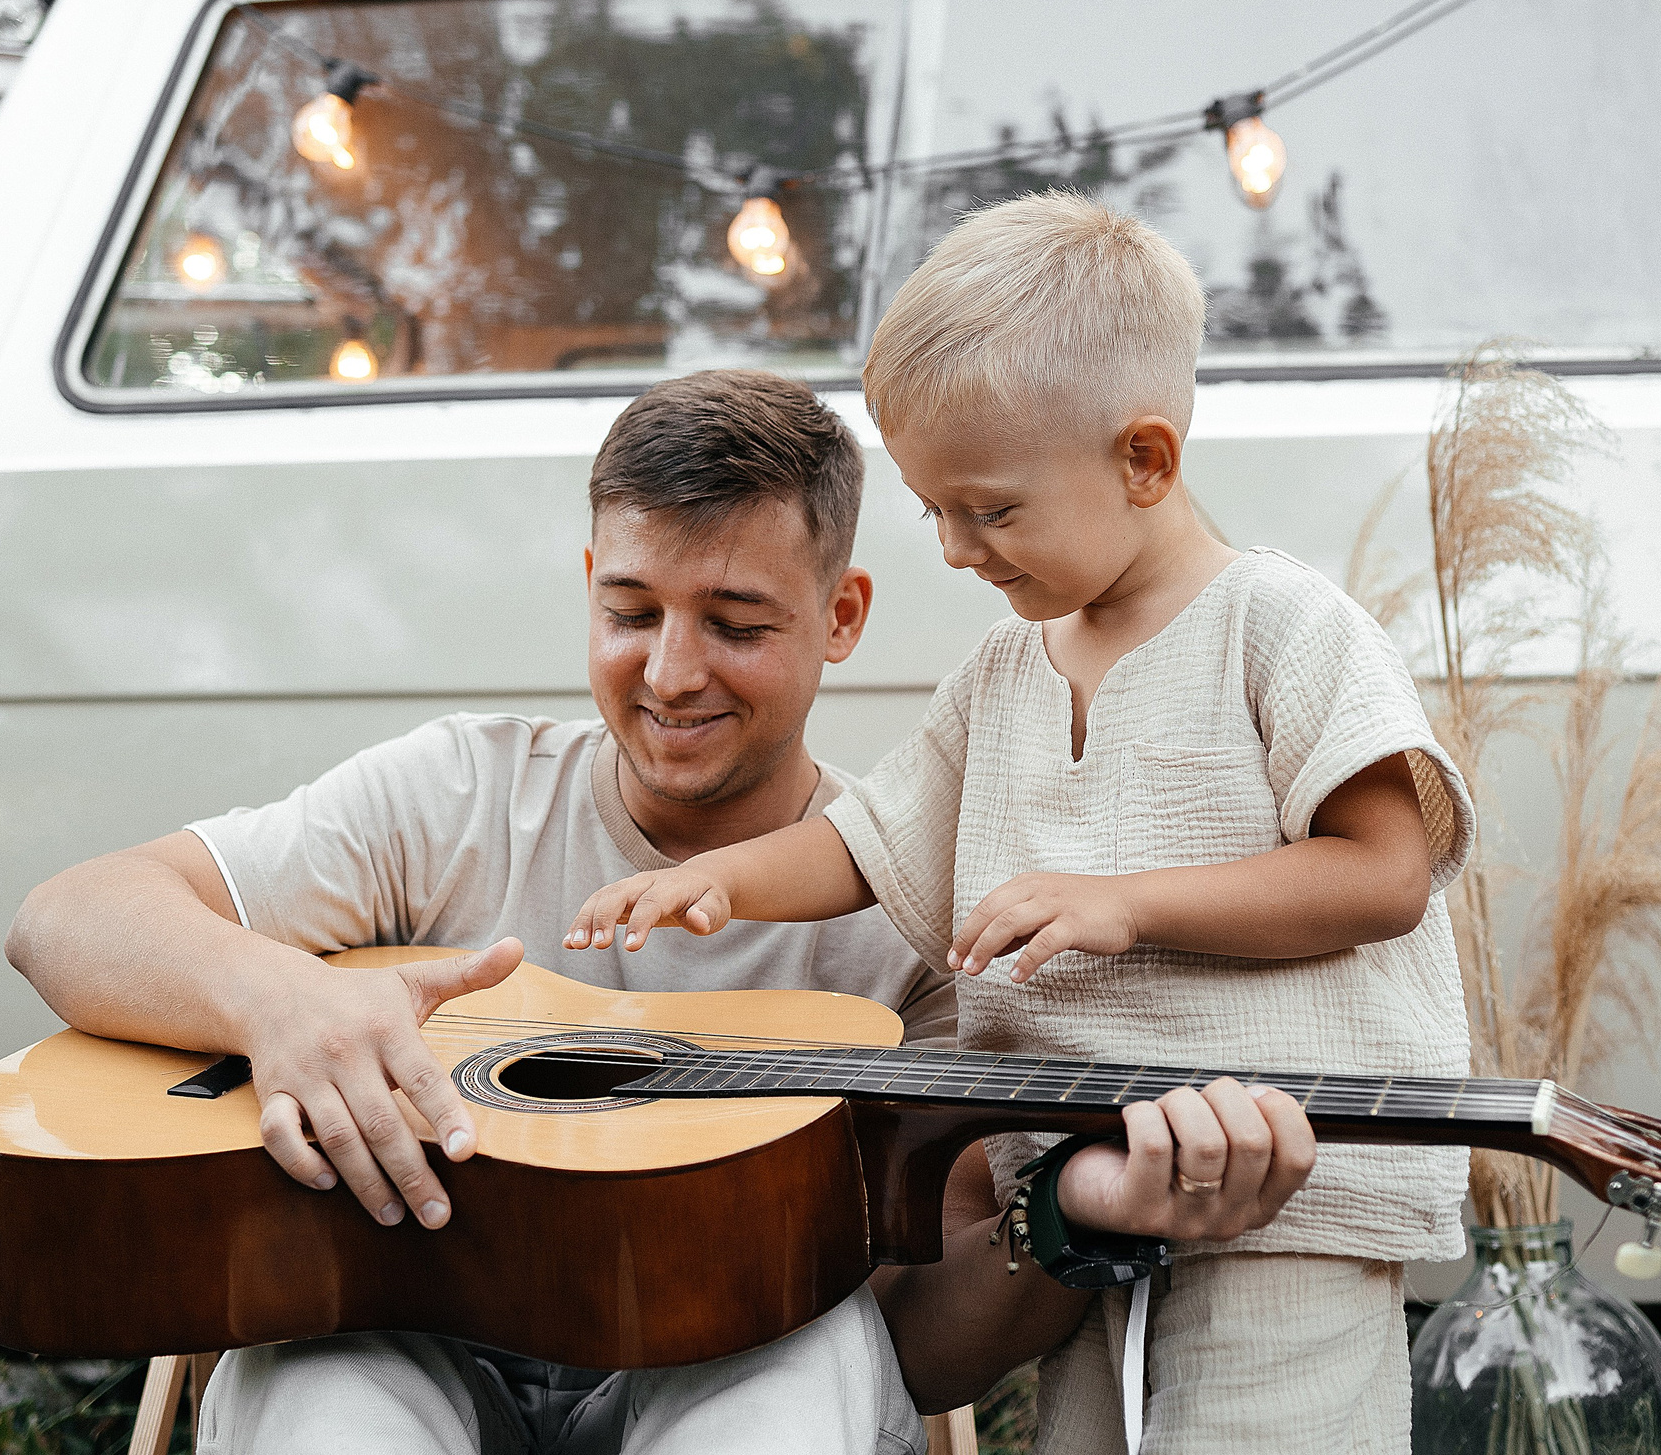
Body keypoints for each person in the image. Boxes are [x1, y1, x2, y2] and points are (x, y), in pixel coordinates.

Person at [6, 367, 1319, 1455]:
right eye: (629, 610)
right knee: (324, 1406)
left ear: (840, 615)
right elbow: (67, 916)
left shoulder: (921, 907)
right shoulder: (457, 792)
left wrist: (1083, 1226)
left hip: (738, 1368)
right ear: (589, 582)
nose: (670, 671)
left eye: (737, 621)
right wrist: (282, 1002)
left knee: (784, 1396)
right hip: (402, 1333)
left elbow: (922, 1340)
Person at [569, 195, 1477, 1453]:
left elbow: (1383, 872)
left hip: (1284, 1205)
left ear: (1144, 461)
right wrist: (717, 878)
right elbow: (870, 844)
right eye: (933, 506)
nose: (952, 545)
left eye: (989, 509)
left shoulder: (1280, 626)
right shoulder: (1003, 673)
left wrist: (1126, 899)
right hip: (1090, 1201)